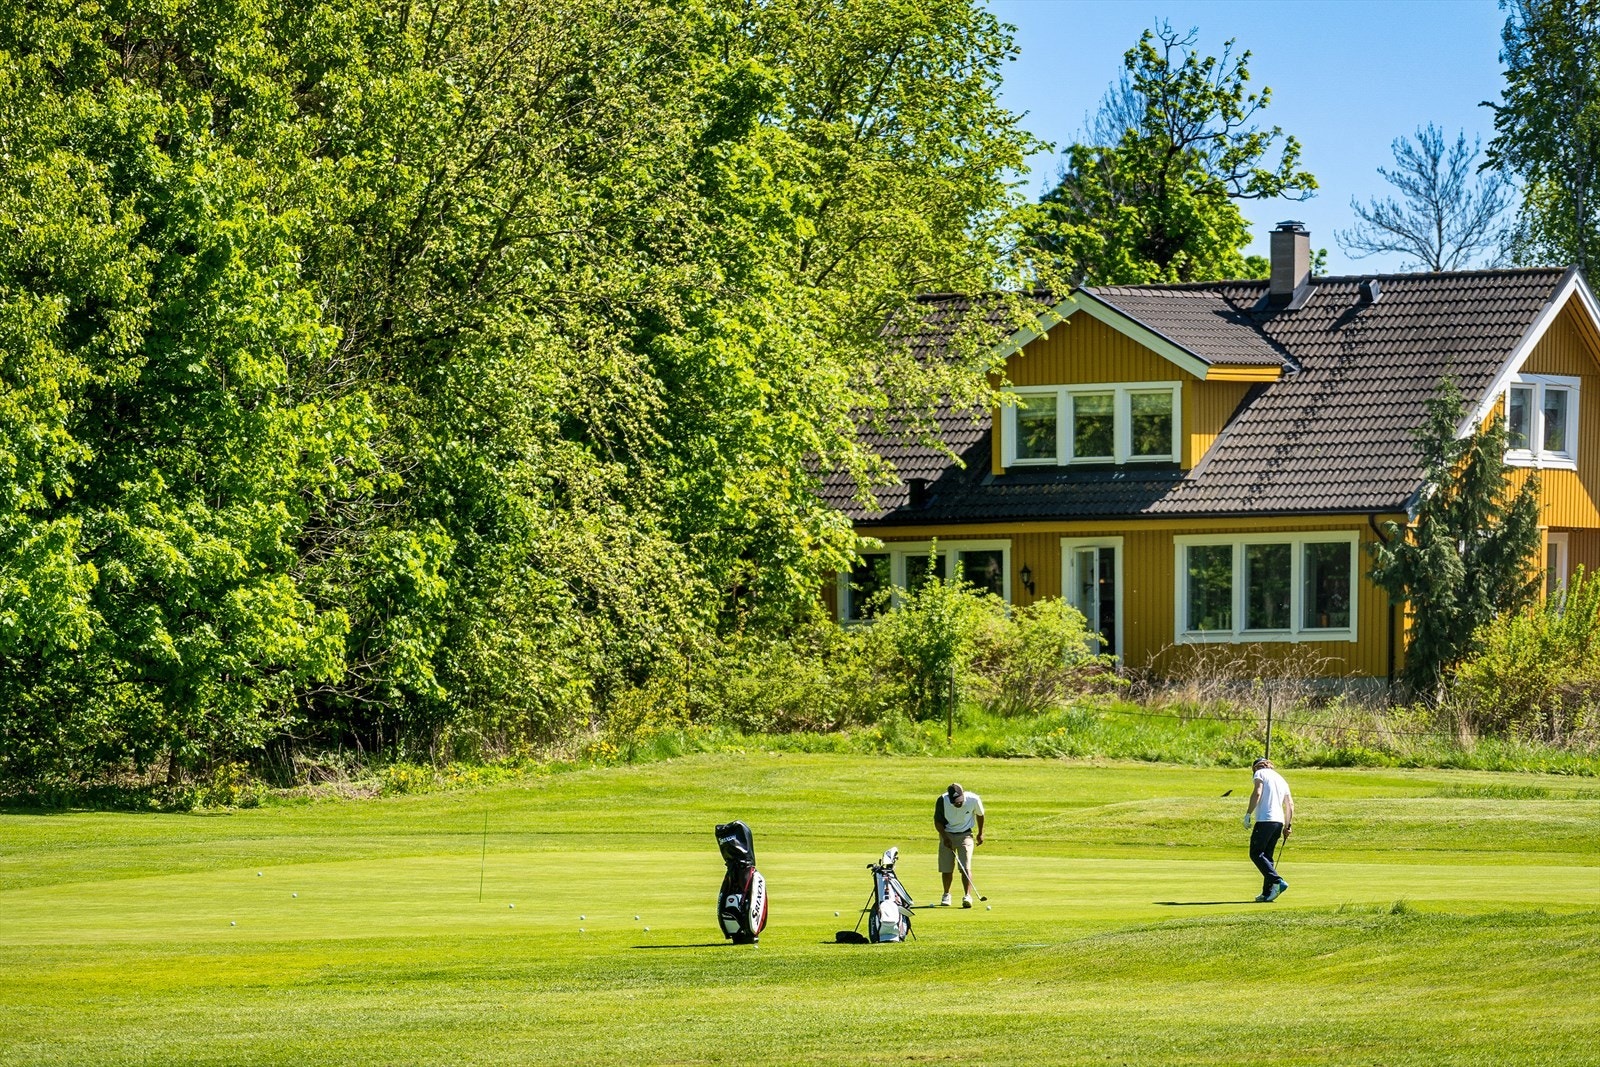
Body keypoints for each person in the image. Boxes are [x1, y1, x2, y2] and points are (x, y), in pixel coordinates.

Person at [1243, 757, 1293, 902]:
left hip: (1265, 820)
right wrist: (1288, 826)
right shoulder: (1281, 779)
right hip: (1278, 822)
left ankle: (1277, 881)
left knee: (1256, 853)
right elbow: (1290, 804)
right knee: (1267, 857)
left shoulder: (1260, 773)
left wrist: (1248, 814)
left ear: (1255, 768)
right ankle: (1267, 893)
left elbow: (1257, 792)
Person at [934, 782, 984, 907]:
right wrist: (945, 837)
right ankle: (946, 895)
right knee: (947, 869)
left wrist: (980, 833)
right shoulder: (942, 800)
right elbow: (938, 822)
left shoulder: (973, 799)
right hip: (947, 833)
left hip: (965, 834)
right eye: (955, 802)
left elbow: (980, 814)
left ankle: (967, 896)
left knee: (965, 867)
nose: (958, 803)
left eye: (959, 801)